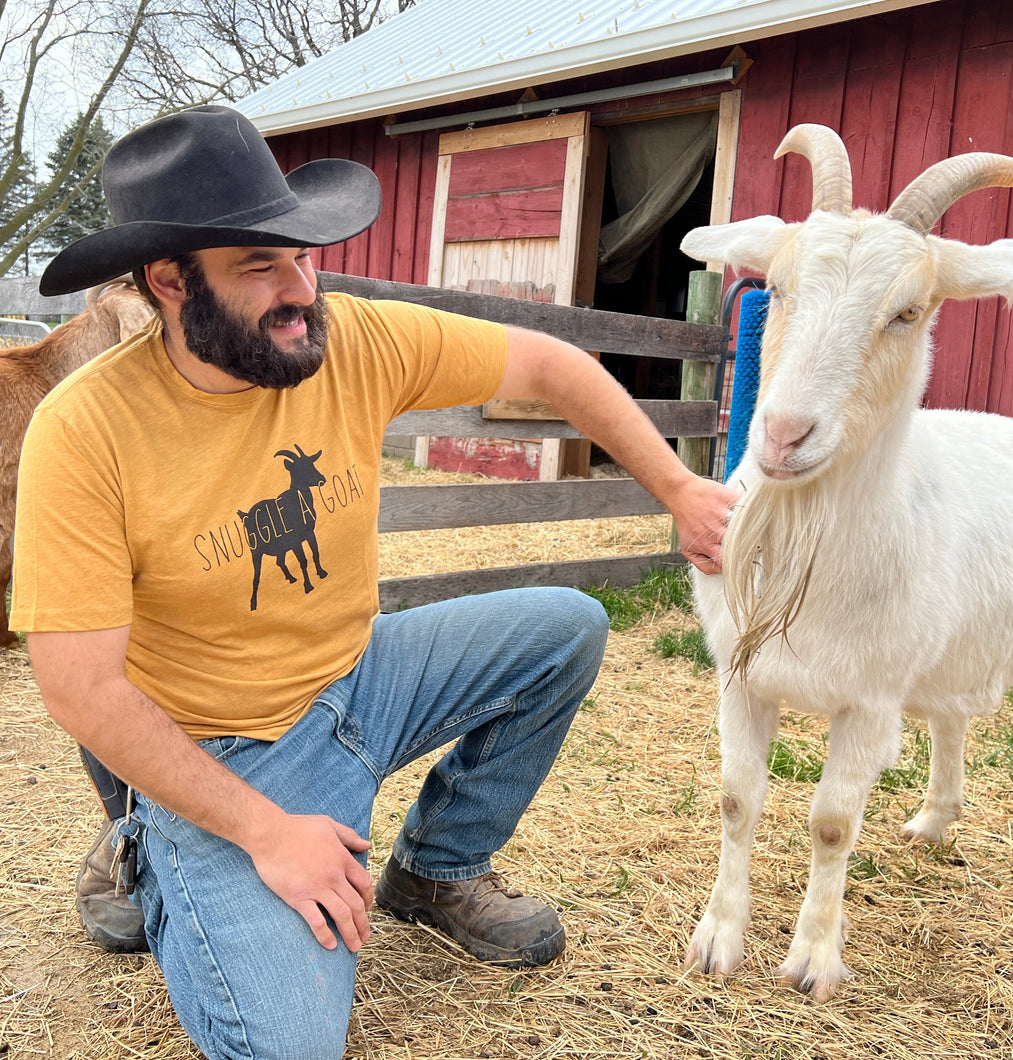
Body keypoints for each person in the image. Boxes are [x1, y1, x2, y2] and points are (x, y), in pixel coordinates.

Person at [12, 105, 737, 1060]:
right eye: (258, 266)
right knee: (290, 1046)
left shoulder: (350, 339)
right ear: (167, 282)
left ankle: (435, 869)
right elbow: (79, 687)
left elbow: (553, 364)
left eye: (302, 256)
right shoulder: (86, 429)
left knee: (566, 625)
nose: (301, 289)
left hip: (362, 679)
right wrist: (267, 832)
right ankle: (152, 844)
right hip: (233, 750)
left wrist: (681, 488)